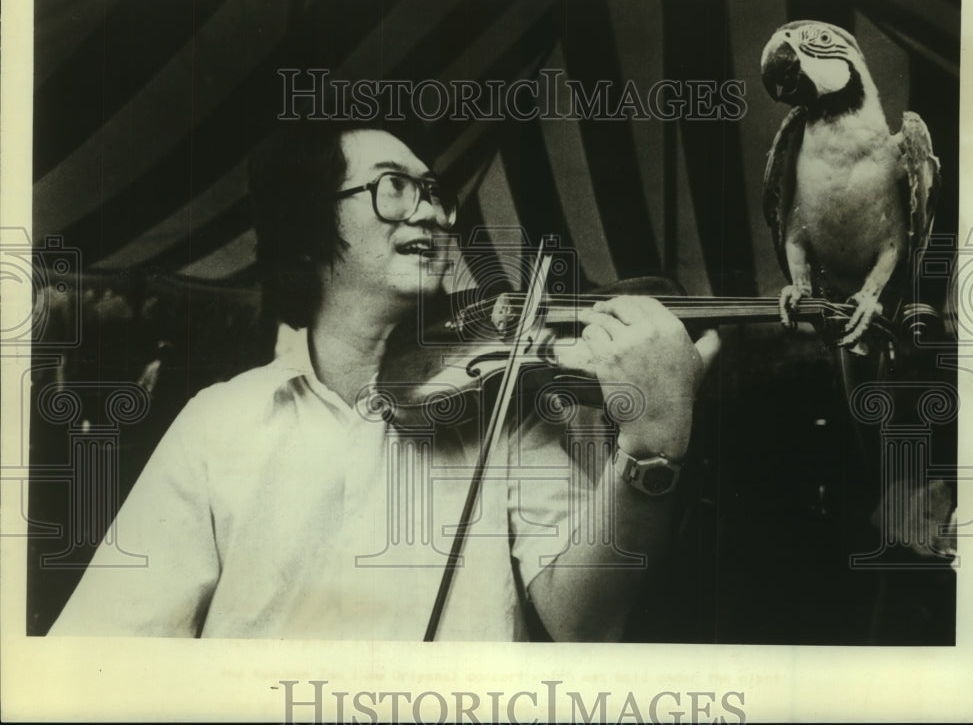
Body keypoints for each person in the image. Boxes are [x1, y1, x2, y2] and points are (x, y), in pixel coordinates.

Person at [49, 122, 720, 641]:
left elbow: (583, 620)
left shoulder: (501, 404)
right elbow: (107, 641)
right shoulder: (216, 422)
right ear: (310, 229)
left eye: (434, 190)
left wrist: (648, 450)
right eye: (395, 185)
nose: (433, 211)